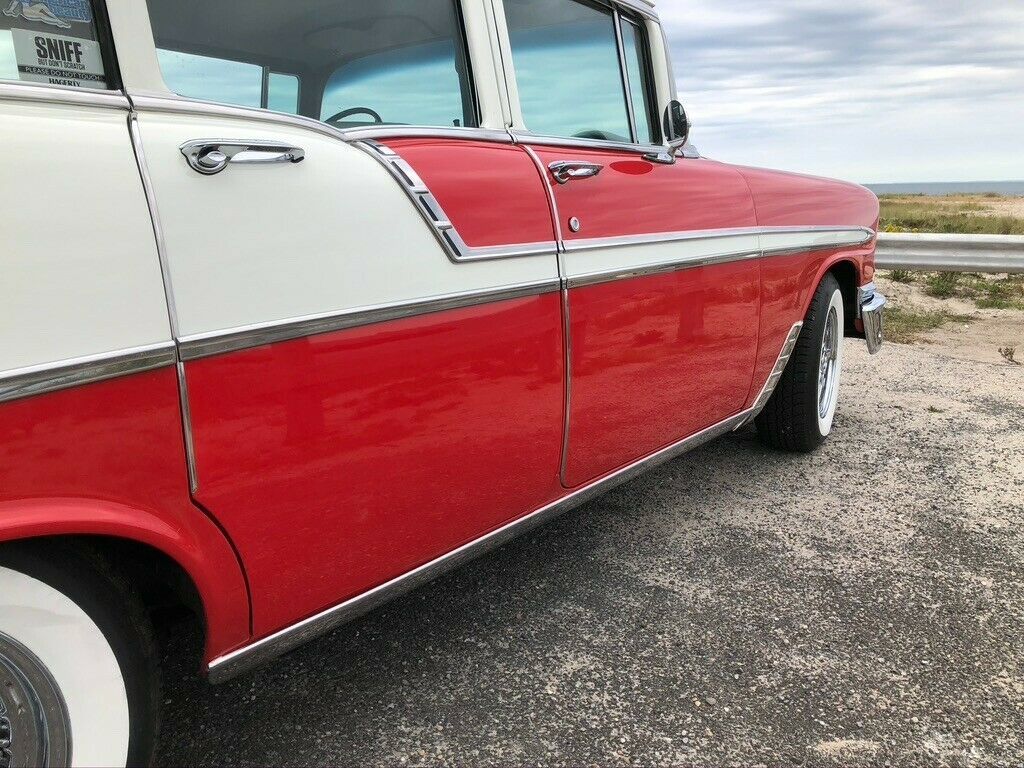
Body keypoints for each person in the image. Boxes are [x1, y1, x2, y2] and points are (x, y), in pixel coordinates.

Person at [3, 0, 72, 29]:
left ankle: (59, 21)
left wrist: (11, 11)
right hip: (27, 12)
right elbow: (14, 3)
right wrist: (10, 11)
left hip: (31, 9)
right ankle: (58, 21)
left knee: (42, 6)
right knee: (43, 16)